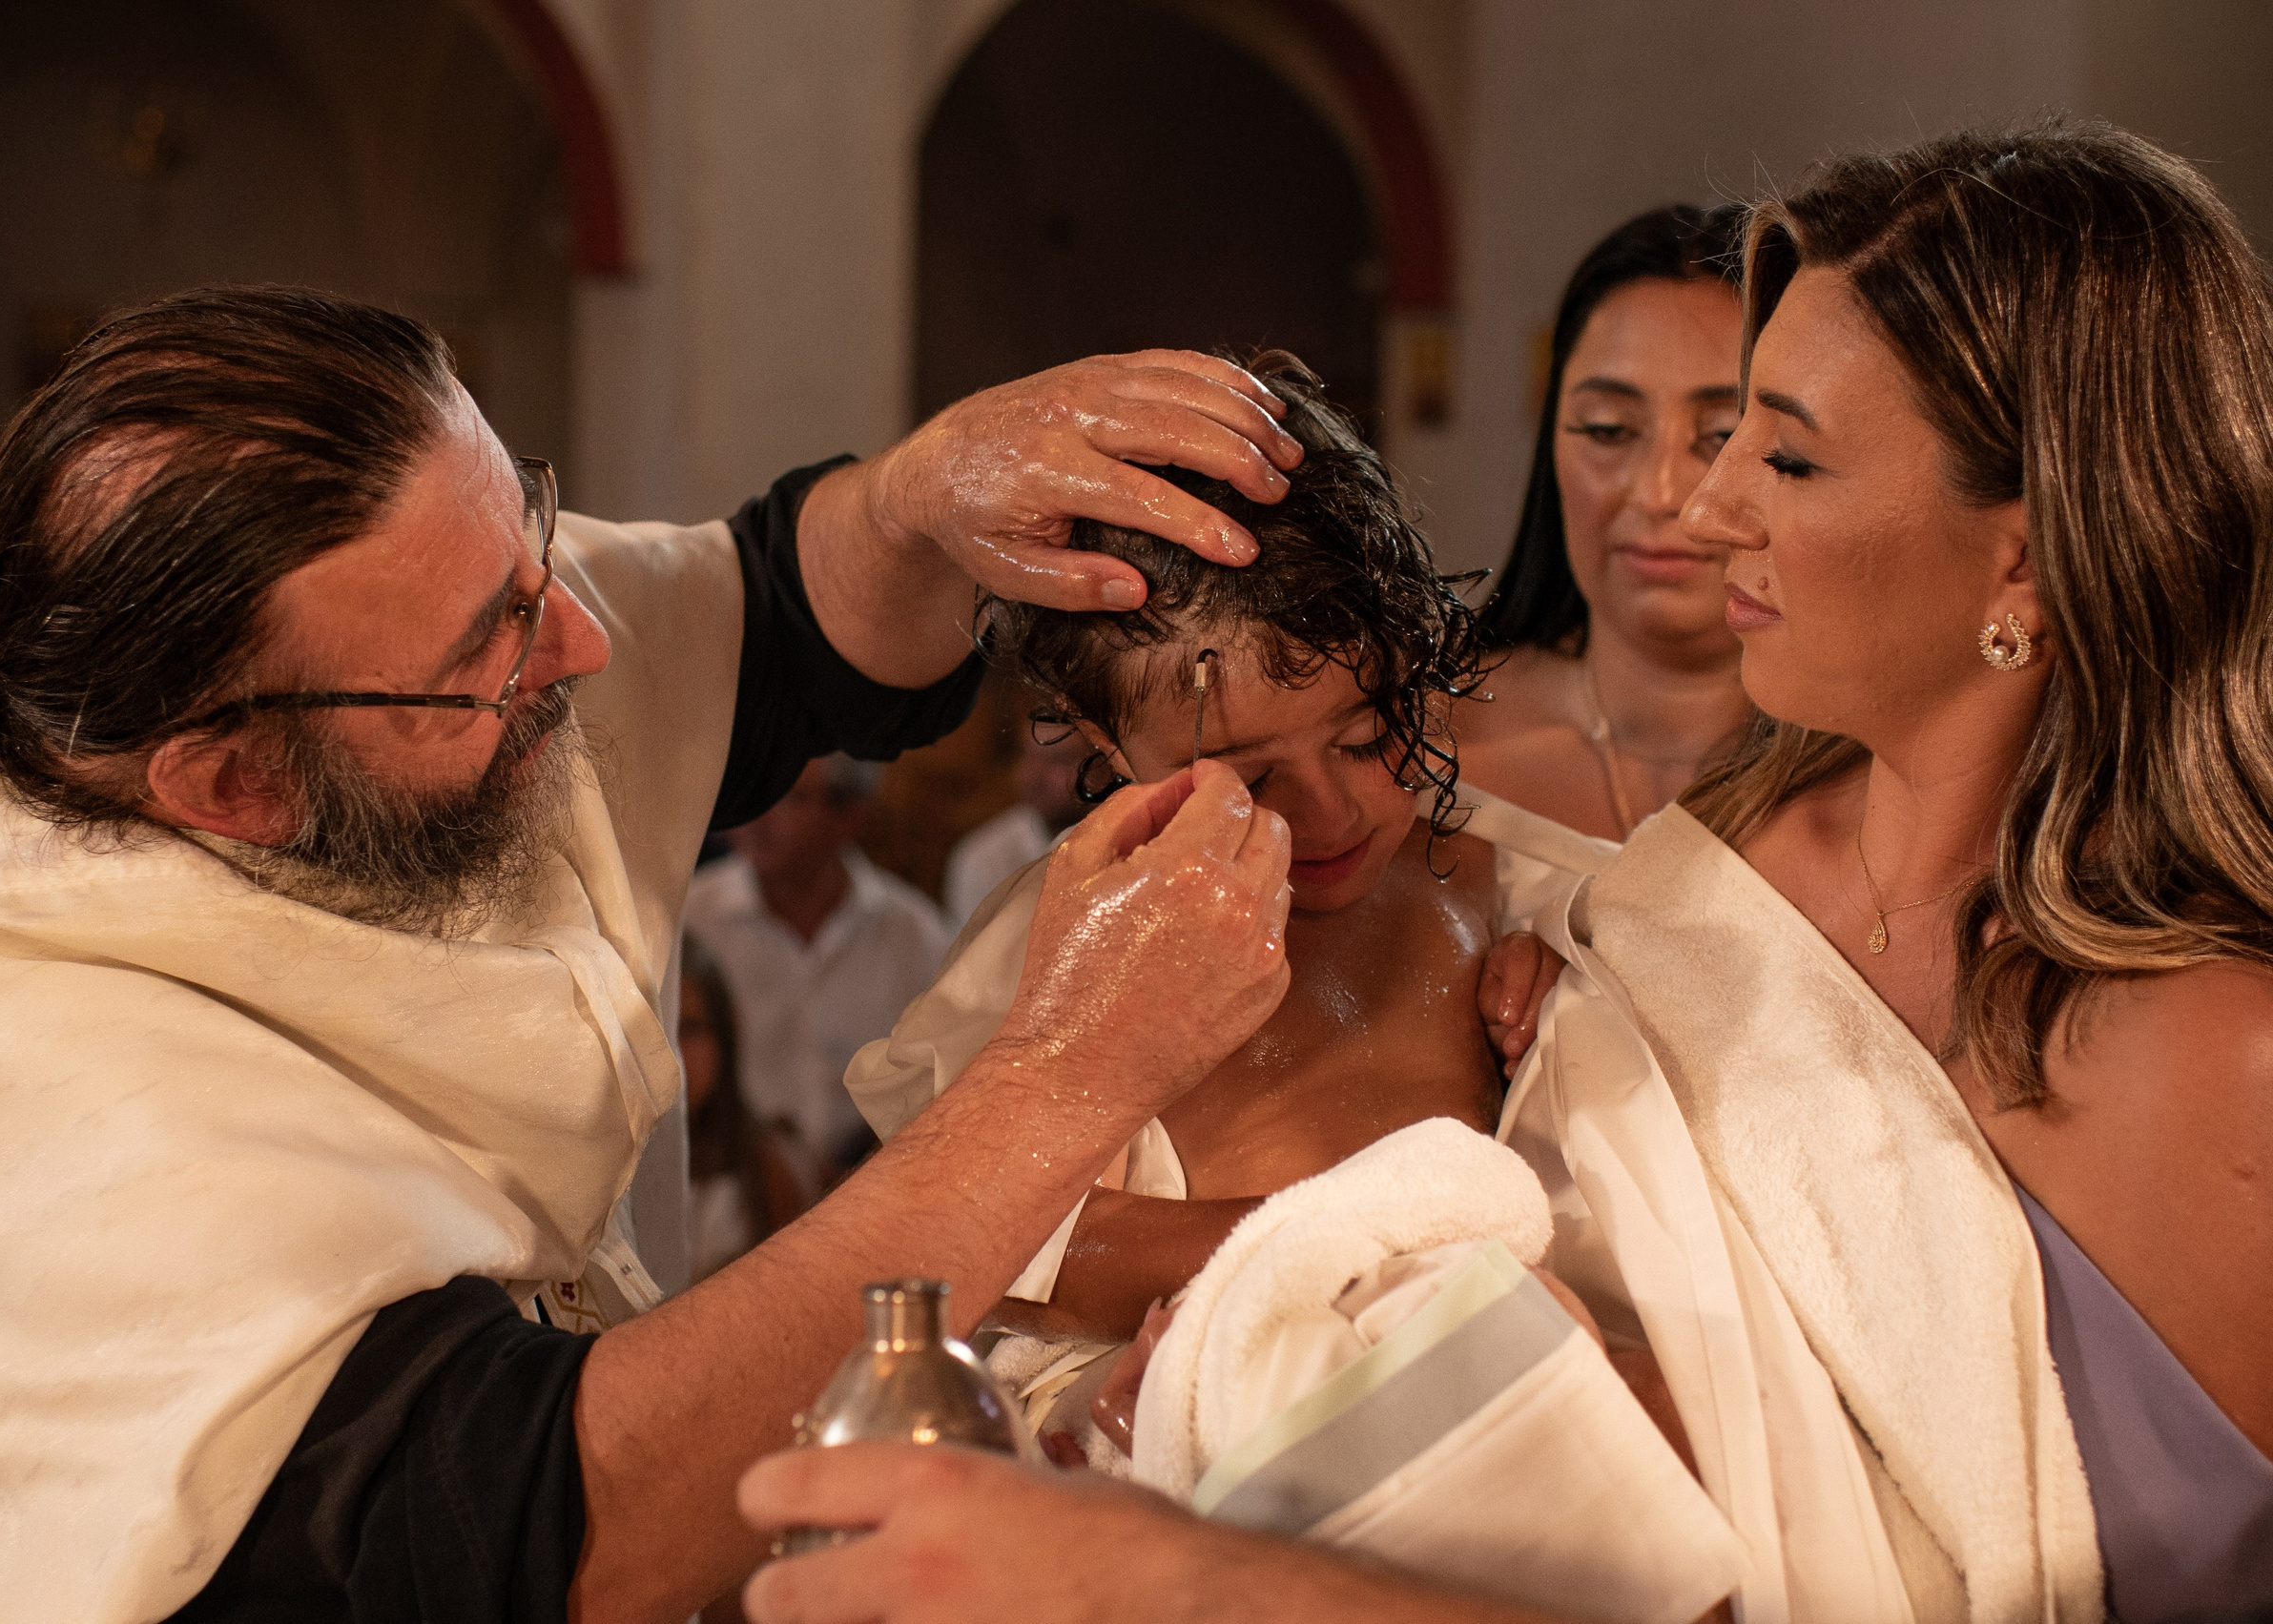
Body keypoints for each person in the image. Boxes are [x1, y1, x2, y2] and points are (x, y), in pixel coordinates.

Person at [745, 123, 2273, 1624]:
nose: (1703, 500)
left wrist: (1182, 1568)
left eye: (1785, 452)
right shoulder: (1690, 874)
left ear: (2025, 556)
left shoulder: (2227, 1061)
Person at [0, 286, 1315, 1624]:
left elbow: (773, 621)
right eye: (499, 635)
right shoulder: (25, 1075)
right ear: (232, 785)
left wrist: (919, 495)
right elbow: (536, 1531)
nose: (583, 646)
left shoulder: (383, 674)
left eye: (531, 532)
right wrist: (1062, 1077)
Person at [845, 352, 1580, 1414]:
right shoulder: (1063, 949)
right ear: (1106, 741)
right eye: (1251, 777)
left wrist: (1576, 1027)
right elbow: (986, 1246)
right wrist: (1358, 1244)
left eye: (1370, 734)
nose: (1329, 814)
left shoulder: (1524, 901)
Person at [1457, 207, 1753, 839]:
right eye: (1608, 430)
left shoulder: (1877, 777)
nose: (1659, 491)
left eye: (1722, 435)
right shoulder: (1421, 744)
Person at [688, 753, 951, 1179]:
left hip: (874, 1182)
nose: (759, 817)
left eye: (789, 798)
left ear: (849, 817)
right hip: (726, 1191)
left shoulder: (912, 933)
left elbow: (943, 1075)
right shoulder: (693, 917)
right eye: (753, 794)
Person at [674, 938, 806, 1283]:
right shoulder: (610, 1176)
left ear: (726, 1032)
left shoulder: (768, 1167)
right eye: (661, 1030)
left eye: (690, 1029)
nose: (673, 1053)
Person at [941, 723, 1092, 925]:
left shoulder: (1135, 844)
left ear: (1107, 767)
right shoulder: (984, 858)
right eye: (1029, 756)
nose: (1034, 776)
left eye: (1058, 760)